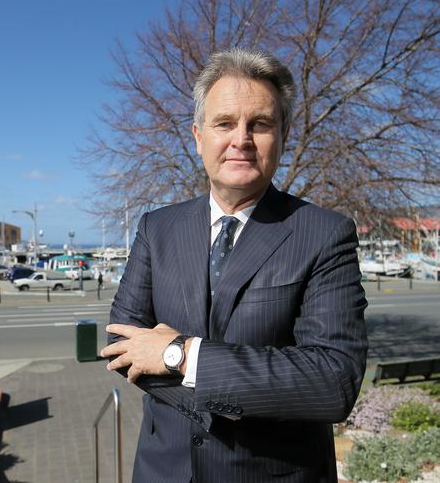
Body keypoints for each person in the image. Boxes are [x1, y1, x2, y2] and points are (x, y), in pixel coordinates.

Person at [101, 48, 368, 483]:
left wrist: (181, 356)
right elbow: (121, 343)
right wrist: (252, 383)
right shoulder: (157, 227)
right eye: (224, 123)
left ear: (282, 136)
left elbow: (332, 383)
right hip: (162, 470)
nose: (240, 139)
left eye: (259, 124)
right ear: (198, 136)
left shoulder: (324, 234)